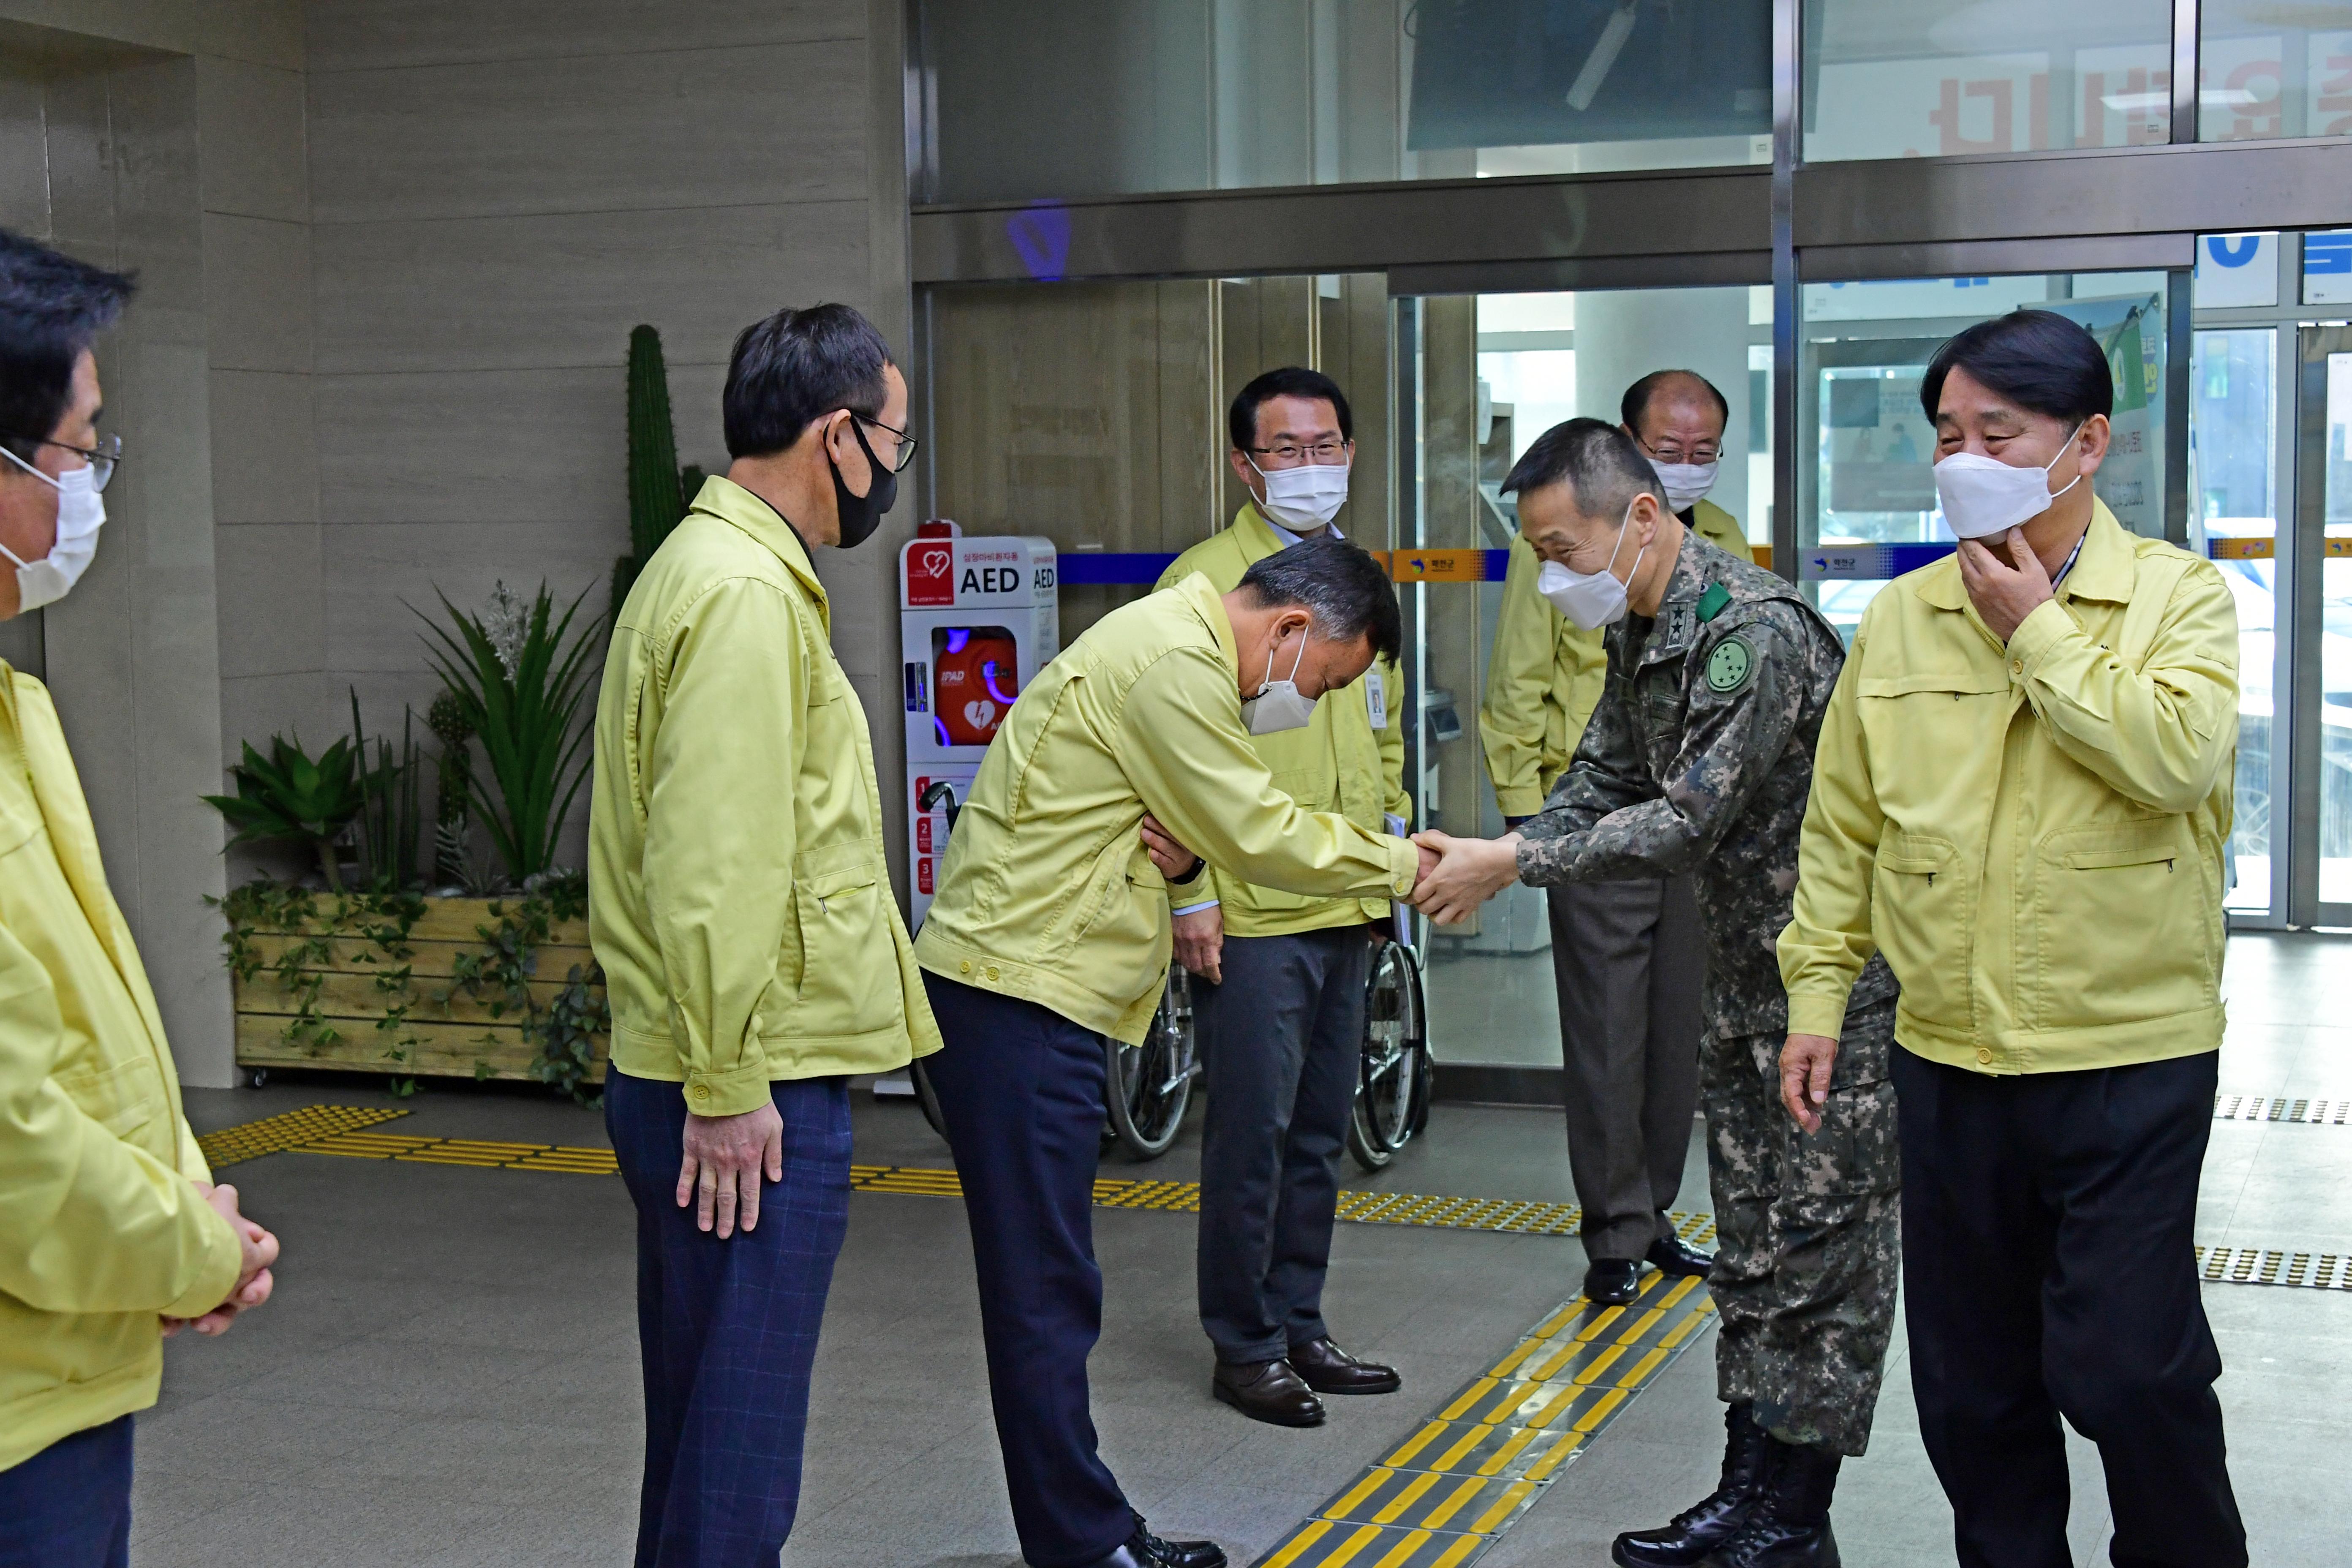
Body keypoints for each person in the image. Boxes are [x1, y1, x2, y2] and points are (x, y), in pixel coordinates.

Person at [1778, 309, 2246, 1568]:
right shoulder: (1901, 619)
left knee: (2127, 1368)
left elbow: (2174, 757)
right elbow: (1844, 831)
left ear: (2084, 443)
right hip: (1950, 1058)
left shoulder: (2175, 598)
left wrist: (2037, 629)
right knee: (1976, 1393)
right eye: (1949, 433)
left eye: (1999, 431)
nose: (1964, 457)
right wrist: (1818, 1000)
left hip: (2126, 1056)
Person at [1413, 418, 1900, 1568]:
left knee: (1822, 1257)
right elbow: (1603, 781)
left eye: (1559, 548)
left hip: (1831, 997)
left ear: (1640, 518)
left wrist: (1517, 864)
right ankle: (1746, 1493)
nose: (1550, 577)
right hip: (1747, 991)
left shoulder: (1751, 634)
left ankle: (1794, 1513)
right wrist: (1499, 849)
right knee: (1754, 1252)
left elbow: (1688, 819)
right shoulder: (1644, 630)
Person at [915, 536, 1430, 1568]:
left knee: (1048, 1287)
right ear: (1290, 627)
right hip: (1018, 1004)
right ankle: (1085, 1543)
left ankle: (1083, 1532)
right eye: (1324, 679)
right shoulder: (1174, 664)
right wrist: (1408, 864)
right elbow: (1258, 827)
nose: (1310, 699)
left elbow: (1180, 824)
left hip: (1036, 995)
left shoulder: (1166, 648)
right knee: (1044, 1293)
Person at [587, 303, 942, 1568]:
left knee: (701, 1437)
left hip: (712, 1066)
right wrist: (731, 1083)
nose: (895, 474)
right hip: (749, 1086)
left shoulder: (705, 566)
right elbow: (714, 865)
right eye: (893, 441)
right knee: (736, 1464)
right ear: (837, 436)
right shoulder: (743, 594)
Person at [0, 228, 281, 1568]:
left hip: (56, 1351)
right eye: (77, 450)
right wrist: (185, 1248)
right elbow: (10, 1130)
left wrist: (172, 1226)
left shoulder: (14, 704)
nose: (93, 487)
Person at [1153, 367, 1406, 1428]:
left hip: (1347, 900)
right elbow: (1171, 761)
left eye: (1329, 443)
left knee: (1318, 1135)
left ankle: (1300, 1319)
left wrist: (1390, 846)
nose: (1314, 465)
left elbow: (1380, 732)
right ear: (1244, 463)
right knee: (1249, 1137)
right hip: (1252, 916)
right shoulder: (1202, 586)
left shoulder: (1358, 575)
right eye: (1288, 449)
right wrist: (1191, 899)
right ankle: (1244, 1342)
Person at [1478, 369, 1753, 1307]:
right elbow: (1517, 678)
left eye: (1701, 450)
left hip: (1692, 830)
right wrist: (1525, 819)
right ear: (1629, 453)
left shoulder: (1725, 554)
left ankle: (1657, 1211)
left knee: (1680, 1028)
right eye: (1666, 450)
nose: (1686, 467)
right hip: (1591, 825)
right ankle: (1612, 1231)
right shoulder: (1564, 547)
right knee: (1607, 1033)